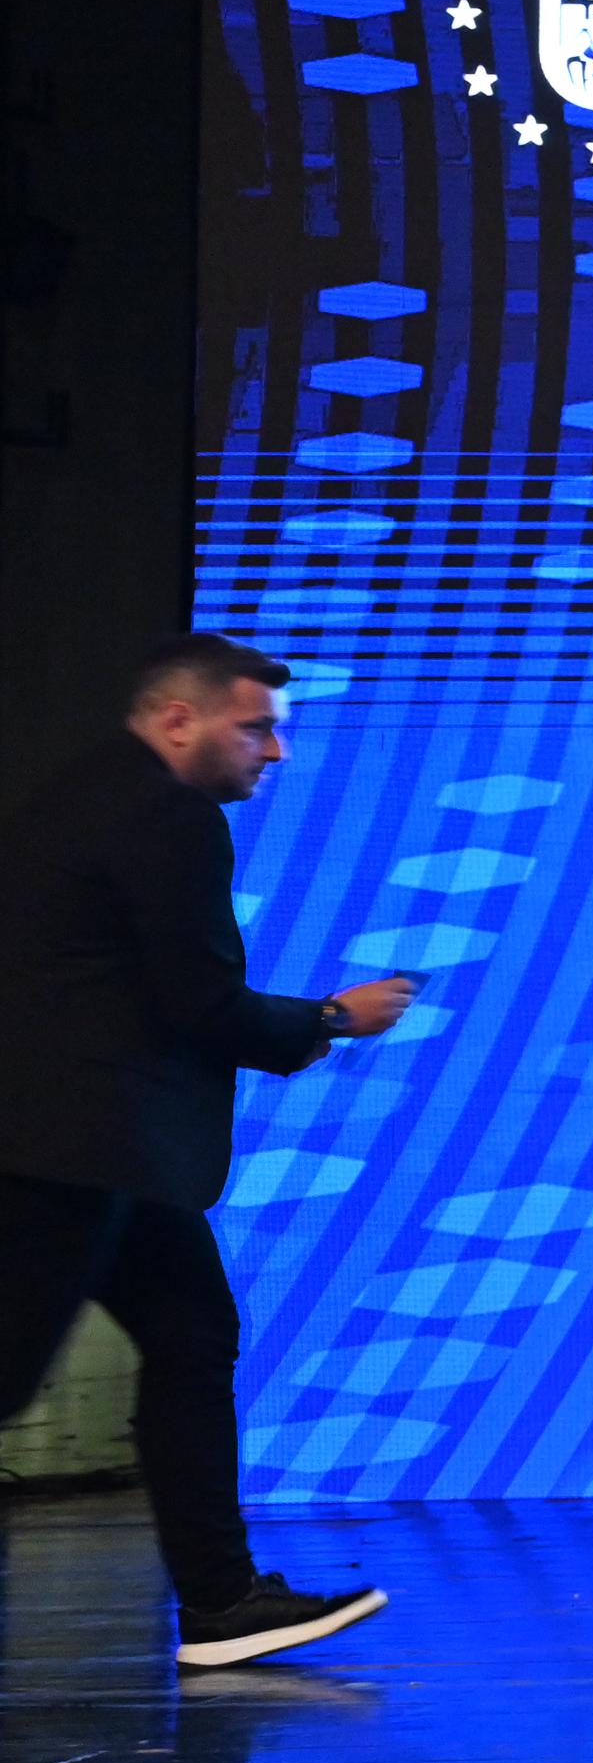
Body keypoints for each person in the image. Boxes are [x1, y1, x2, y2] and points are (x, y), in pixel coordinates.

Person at [0, 639, 411, 1669]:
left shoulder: (83, 793)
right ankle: (222, 1599)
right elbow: (199, 1003)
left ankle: (224, 1603)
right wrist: (331, 1017)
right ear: (179, 720)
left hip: (101, 1148)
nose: (274, 750)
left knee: (192, 1332)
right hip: (67, 1148)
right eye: (255, 727)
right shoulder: (166, 815)